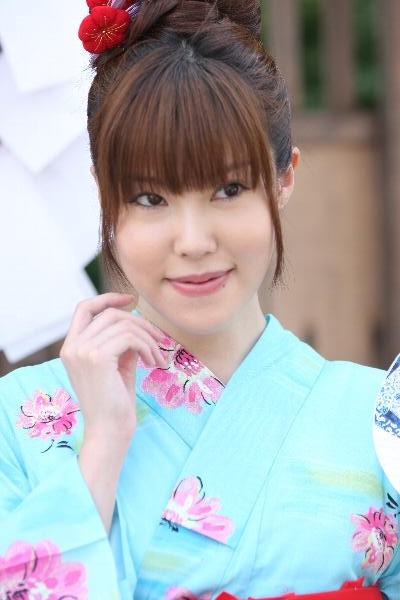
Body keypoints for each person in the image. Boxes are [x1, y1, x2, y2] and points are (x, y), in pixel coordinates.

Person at [0, 1, 399, 599]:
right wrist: (103, 442)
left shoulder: (382, 420)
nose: (192, 241)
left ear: (284, 179)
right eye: (150, 199)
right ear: (103, 193)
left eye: (229, 189)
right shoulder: (18, 419)